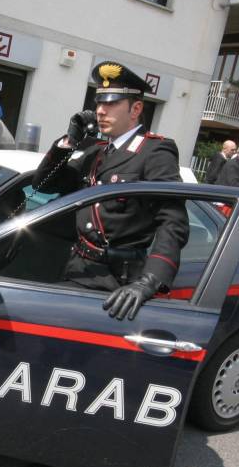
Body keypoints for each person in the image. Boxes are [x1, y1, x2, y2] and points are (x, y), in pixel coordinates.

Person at [33, 61, 188, 321]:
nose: (101, 111)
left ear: (136, 109)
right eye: (99, 103)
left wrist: (150, 281)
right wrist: (70, 141)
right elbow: (45, 184)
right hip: (78, 269)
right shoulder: (96, 151)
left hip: (118, 281)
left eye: (111, 103)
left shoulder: (155, 152)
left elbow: (173, 221)